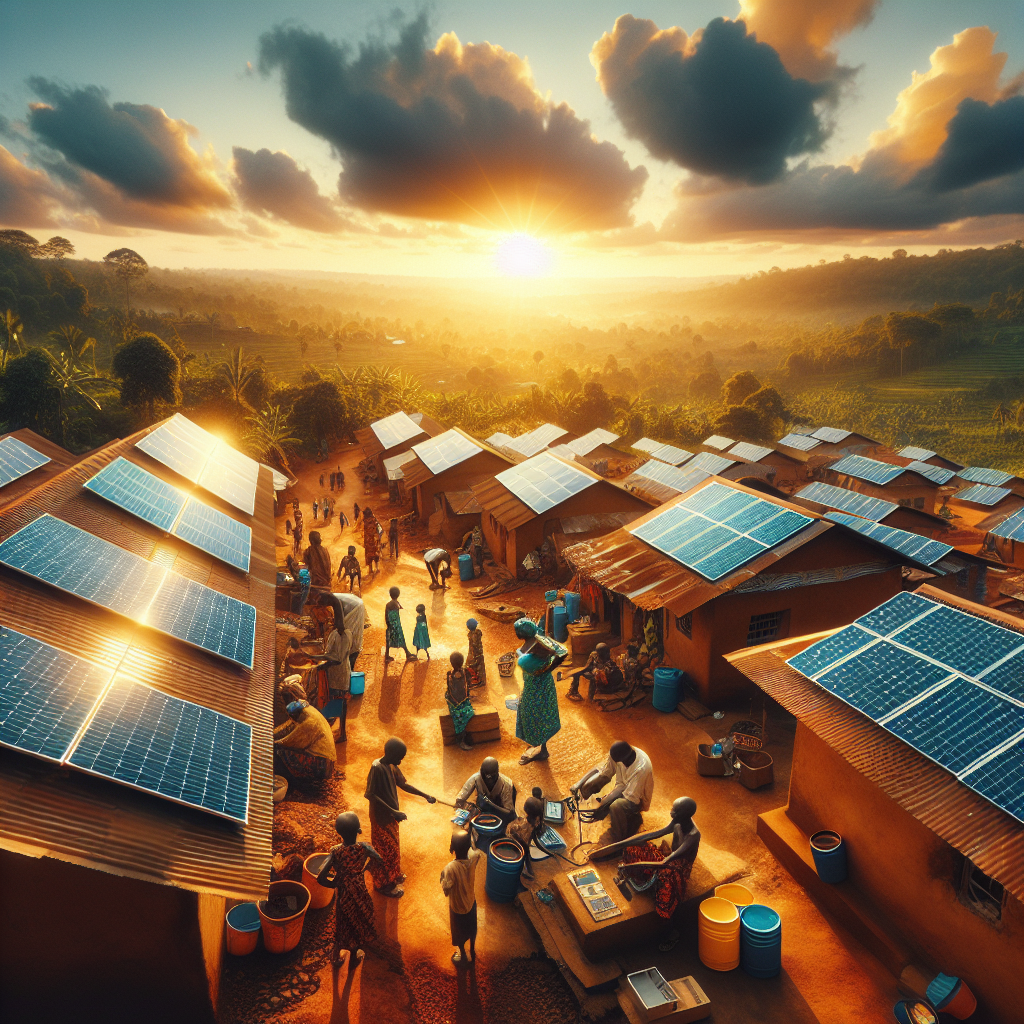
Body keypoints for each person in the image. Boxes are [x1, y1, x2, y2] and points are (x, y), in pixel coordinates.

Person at [616, 798, 701, 951]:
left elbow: (668, 860)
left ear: (684, 815)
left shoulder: (693, 834)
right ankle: (645, 879)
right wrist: (627, 842)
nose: (671, 812)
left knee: (665, 894)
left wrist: (631, 865)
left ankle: (672, 933)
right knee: (632, 849)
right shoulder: (677, 821)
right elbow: (658, 833)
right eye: (672, 808)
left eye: (675, 811)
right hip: (667, 859)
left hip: (677, 867)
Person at [364, 737, 436, 897]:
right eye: (400, 758)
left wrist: (425, 795)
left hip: (391, 816)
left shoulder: (391, 765)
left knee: (394, 848)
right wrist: (394, 811)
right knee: (385, 851)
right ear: (390, 754)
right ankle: (382, 884)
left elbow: (403, 784)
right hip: (381, 817)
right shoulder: (377, 768)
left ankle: (393, 875)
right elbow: (370, 795)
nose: (401, 761)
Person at [316, 812, 382, 968]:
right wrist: (365, 869)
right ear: (358, 830)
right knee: (359, 919)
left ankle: (336, 955)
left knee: (342, 922)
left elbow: (320, 876)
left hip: (344, 894)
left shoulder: (335, 851)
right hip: (360, 891)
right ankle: (354, 956)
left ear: (338, 832)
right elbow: (379, 859)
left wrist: (334, 883)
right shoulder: (364, 847)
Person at [572, 741, 654, 843]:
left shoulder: (641, 769)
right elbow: (603, 771)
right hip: (623, 787)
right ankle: (587, 807)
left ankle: (619, 837)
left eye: (622, 762)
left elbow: (629, 797)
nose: (620, 764)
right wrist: (579, 784)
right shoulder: (618, 754)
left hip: (636, 798)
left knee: (616, 806)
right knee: (592, 784)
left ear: (627, 758)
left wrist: (604, 807)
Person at [513, 618, 566, 766]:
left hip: (535, 686)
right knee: (541, 713)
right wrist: (548, 667)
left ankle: (540, 749)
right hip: (543, 684)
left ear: (521, 633)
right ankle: (541, 747)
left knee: (533, 715)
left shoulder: (530, 650)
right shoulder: (540, 643)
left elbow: (561, 653)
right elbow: (561, 653)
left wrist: (546, 668)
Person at [441, 829, 483, 965]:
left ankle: (463, 955)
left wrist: (442, 878)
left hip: (458, 908)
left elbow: (446, 890)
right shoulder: (474, 857)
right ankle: (472, 950)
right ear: (469, 846)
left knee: (459, 934)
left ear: (452, 847)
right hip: (471, 903)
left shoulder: (450, 868)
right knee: (472, 929)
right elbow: (477, 854)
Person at [274, 697, 337, 783]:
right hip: (326, 759)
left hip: (323, 763)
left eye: (293, 717)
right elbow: (288, 725)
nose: (293, 719)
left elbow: (291, 741)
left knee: (279, 751)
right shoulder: (308, 711)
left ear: (297, 714)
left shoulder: (309, 722)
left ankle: (292, 781)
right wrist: (273, 733)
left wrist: (275, 742)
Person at [507, 796, 557, 881]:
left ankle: (527, 869)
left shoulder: (532, 826)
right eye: (535, 819)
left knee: (526, 853)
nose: (536, 822)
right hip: (513, 845)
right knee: (523, 854)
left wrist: (548, 852)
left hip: (522, 847)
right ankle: (526, 870)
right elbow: (512, 833)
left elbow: (535, 841)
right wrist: (524, 846)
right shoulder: (519, 825)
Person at [456, 757, 516, 824]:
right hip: (481, 811)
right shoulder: (476, 778)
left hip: (499, 813)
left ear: (497, 773)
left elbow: (509, 812)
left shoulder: (506, 784)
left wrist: (491, 805)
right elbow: (461, 797)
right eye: (486, 777)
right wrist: (462, 806)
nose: (489, 780)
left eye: (491, 777)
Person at [446, 652, 475, 751]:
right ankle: (460, 739)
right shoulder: (465, 673)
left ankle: (462, 737)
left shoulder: (449, 674)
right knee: (463, 715)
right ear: (462, 662)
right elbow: (468, 687)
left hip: (453, 703)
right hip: (458, 704)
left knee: (462, 714)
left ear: (451, 663)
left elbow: (450, 691)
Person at [384, 586, 413, 661]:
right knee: (401, 639)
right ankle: (407, 654)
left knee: (389, 640)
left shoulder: (389, 604)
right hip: (396, 625)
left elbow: (386, 615)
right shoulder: (396, 604)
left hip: (390, 625)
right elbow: (402, 611)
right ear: (398, 595)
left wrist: (388, 624)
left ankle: (387, 655)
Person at [465, 618, 486, 689]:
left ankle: (477, 681)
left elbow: (473, 645)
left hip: (474, 653)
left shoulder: (470, 635)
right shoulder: (478, 632)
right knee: (481, 666)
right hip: (480, 652)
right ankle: (482, 680)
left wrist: (472, 655)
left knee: (472, 666)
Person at [363, 507, 382, 572]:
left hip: (368, 541)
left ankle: (370, 569)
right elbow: (379, 529)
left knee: (369, 556)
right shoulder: (374, 520)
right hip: (374, 540)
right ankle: (376, 568)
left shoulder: (364, 521)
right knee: (376, 554)